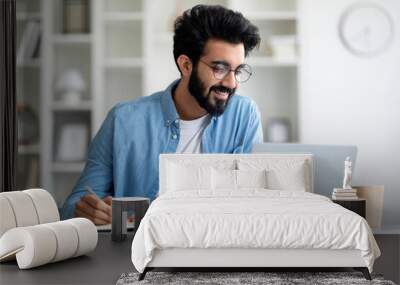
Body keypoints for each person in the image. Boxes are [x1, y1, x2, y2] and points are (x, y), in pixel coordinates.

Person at [60, 5, 263, 224]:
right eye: (220, 69)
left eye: (238, 70)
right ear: (186, 65)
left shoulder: (244, 115)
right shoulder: (123, 121)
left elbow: (250, 202)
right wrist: (86, 211)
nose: (232, 83)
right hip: (138, 253)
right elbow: (74, 205)